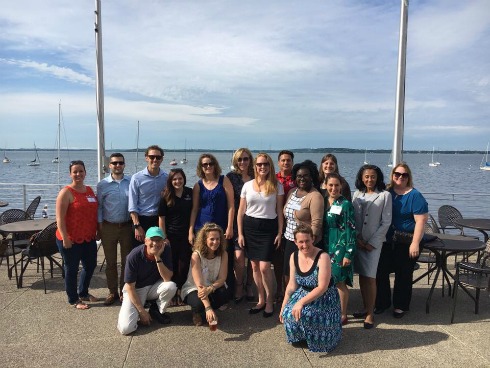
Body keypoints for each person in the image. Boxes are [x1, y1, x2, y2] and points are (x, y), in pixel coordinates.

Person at [375, 163, 428, 318]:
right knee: (381, 271)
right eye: (397, 174)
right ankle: (382, 302)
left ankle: (400, 305)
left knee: (403, 273)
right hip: (388, 240)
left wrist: (415, 243)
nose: (400, 177)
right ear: (392, 175)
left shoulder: (415, 195)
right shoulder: (387, 191)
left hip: (407, 240)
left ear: (408, 177)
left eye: (404, 175)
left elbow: (420, 221)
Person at [280, 224, 341, 353]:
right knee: (287, 313)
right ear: (295, 242)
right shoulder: (293, 256)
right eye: (301, 242)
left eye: (307, 240)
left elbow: (322, 287)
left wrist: (301, 302)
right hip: (303, 291)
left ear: (312, 239)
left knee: (309, 314)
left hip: (324, 296)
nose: (305, 245)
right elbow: (292, 285)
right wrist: (283, 305)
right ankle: (302, 336)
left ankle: (320, 337)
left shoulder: (322, 257)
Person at [237, 153, 284, 318]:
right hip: (250, 227)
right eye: (259, 164)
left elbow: (279, 211)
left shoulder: (277, 186)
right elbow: (241, 211)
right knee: (254, 266)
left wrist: (279, 232)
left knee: (265, 267)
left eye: (265, 164)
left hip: (268, 228)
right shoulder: (247, 186)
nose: (262, 167)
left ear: (270, 166)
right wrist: (240, 233)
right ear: (255, 167)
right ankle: (261, 299)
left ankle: (270, 301)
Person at [351, 165, 392, 329]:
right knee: (361, 275)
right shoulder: (357, 194)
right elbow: (352, 218)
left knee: (370, 277)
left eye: (373, 176)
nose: (369, 179)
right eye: (366, 176)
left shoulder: (385, 195)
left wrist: (372, 242)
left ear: (378, 177)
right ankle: (365, 306)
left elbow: (386, 222)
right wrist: (357, 239)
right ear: (361, 177)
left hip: (373, 244)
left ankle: (370, 313)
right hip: (358, 241)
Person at [188, 153, 234, 298]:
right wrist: (190, 230)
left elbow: (231, 205)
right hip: (201, 228)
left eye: (210, 163)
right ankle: (200, 292)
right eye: (204, 164)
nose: (208, 166)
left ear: (215, 165)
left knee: (224, 258)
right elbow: (195, 208)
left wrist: (230, 226)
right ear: (201, 167)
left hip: (221, 227)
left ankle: (225, 292)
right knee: (201, 259)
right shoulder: (198, 185)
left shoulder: (223, 180)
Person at [117, 227, 177, 335]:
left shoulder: (165, 249)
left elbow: (167, 278)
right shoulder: (134, 256)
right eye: (152, 239)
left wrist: (157, 257)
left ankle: (156, 311)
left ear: (163, 241)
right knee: (126, 329)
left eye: (158, 240)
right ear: (145, 241)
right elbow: (130, 287)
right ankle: (139, 310)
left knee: (171, 286)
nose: (155, 243)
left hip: (153, 286)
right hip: (135, 290)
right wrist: (141, 312)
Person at [55, 160, 98, 310]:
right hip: (70, 239)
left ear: (85, 172)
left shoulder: (89, 190)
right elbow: (59, 219)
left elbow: (93, 213)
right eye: (75, 172)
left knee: (90, 265)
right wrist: (65, 237)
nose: (78, 174)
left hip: (88, 237)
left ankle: (84, 293)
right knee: (71, 269)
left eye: (81, 171)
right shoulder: (66, 192)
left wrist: (96, 230)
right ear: (70, 174)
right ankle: (73, 299)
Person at [97, 153, 133, 305]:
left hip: (126, 227)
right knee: (111, 263)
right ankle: (112, 292)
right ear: (109, 165)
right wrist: (99, 228)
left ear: (124, 164)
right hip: (108, 227)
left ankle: (124, 291)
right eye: (114, 163)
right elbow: (99, 207)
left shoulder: (131, 182)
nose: (117, 165)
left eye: (120, 163)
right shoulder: (102, 185)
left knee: (127, 262)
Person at [283, 160, 323, 288]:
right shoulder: (292, 192)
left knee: (302, 277)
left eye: (306, 175)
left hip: (304, 243)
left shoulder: (315, 196)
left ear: (312, 177)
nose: (302, 178)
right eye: (299, 176)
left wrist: (309, 245)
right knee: (288, 275)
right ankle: (289, 303)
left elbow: (316, 223)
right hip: (289, 240)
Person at [323, 173, 356, 325]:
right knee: (327, 279)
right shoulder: (324, 201)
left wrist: (348, 253)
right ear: (325, 185)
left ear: (341, 186)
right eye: (330, 185)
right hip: (325, 244)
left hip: (339, 246)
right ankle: (331, 309)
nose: (333, 188)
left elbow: (350, 230)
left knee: (339, 281)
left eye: (336, 185)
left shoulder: (345, 204)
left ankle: (343, 314)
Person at [181, 223, 229, 326]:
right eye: (212, 239)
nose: (215, 242)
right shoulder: (196, 256)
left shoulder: (223, 254)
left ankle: (209, 310)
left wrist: (211, 288)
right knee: (198, 304)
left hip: (211, 286)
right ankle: (197, 312)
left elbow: (222, 278)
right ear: (204, 240)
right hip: (194, 288)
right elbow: (199, 285)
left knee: (223, 294)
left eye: (217, 239)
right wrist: (208, 308)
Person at [158, 168, 193, 306]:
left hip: (186, 236)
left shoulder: (189, 193)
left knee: (183, 265)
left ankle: (180, 292)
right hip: (170, 236)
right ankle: (172, 294)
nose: (177, 181)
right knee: (171, 264)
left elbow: (193, 213)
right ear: (170, 181)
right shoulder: (165, 196)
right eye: (174, 179)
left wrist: (191, 232)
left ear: (184, 179)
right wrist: (163, 237)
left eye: (180, 178)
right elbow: (161, 218)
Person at [226, 148, 255, 303]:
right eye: (240, 159)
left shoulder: (256, 176)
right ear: (235, 161)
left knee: (253, 257)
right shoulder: (230, 178)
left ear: (250, 160)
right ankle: (238, 285)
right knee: (239, 257)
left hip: (254, 222)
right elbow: (229, 203)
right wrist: (229, 226)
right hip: (237, 223)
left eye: (245, 159)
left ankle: (249, 285)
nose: (243, 162)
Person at [129, 145, 168, 246]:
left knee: (158, 252)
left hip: (159, 219)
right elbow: (132, 205)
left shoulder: (166, 178)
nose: (155, 159)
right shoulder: (137, 178)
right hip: (141, 220)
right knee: (140, 253)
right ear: (146, 158)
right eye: (152, 157)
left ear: (162, 159)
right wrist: (137, 226)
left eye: (158, 157)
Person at [274, 149, 295, 301]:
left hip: (293, 223)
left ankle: (291, 288)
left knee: (291, 259)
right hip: (276, 220)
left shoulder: (298, 178)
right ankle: (279, 289)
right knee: (278, 258)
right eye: (283, 160)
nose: (286, 162)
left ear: (292, 162)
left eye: (288, 160)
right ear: (278, 162)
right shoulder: (273, 179)